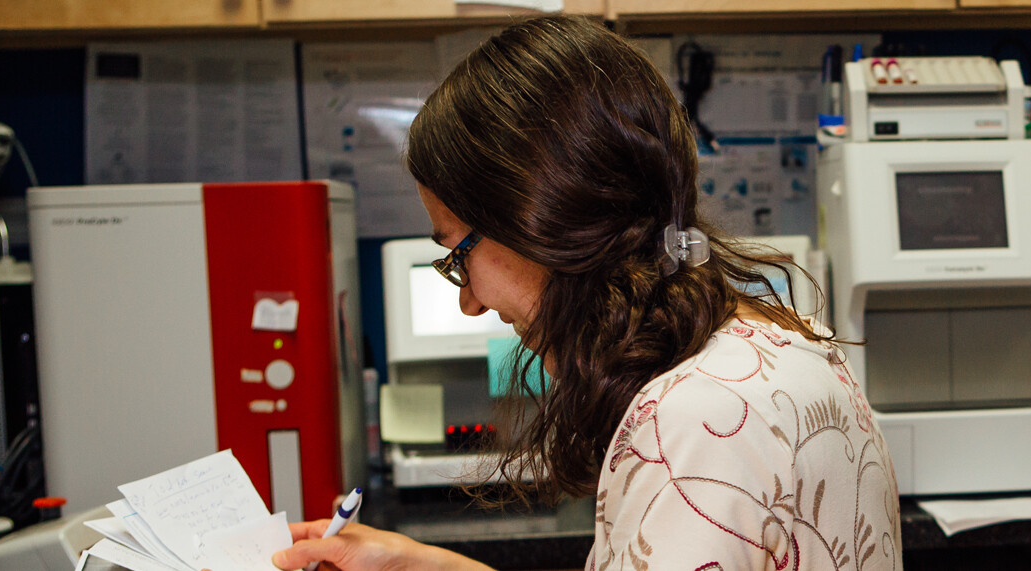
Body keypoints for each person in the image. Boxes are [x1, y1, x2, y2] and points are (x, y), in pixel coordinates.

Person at [269, 16, 901, 571]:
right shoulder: (784, 338)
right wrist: (423, 567)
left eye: (459, 254)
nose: (471, 301)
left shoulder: (688, 424)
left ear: (540, 222)